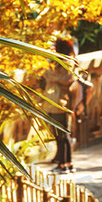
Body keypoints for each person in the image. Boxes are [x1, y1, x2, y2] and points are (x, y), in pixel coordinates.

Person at [42, 37, 79, 172]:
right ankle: (67, 163)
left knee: (62, 135)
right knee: (62, 135)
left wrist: (53, 77)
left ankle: (64, 164)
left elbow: (68, 79)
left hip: (61, 102)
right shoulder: (57, 62)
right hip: (55, 102)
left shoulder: (67, 62)